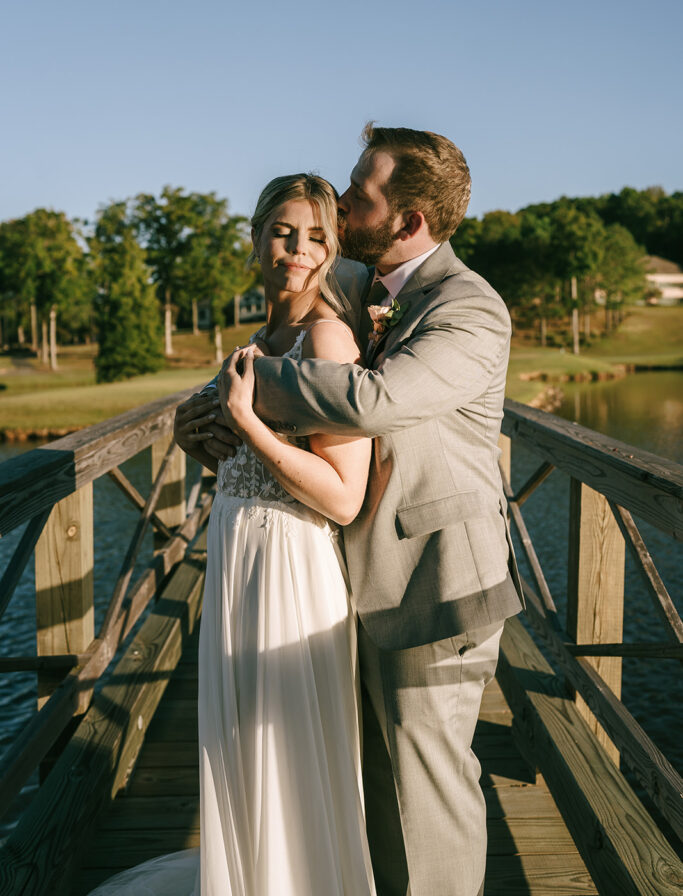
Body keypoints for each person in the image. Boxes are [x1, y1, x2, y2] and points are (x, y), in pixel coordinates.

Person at [183, 125, 524, 896]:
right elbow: (293, 294)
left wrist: (241, 384)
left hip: (433, 587)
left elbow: (375, 400)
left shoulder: (468, 307)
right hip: (352, 576)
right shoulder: (369, 291)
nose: (339, 202)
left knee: (428, 798)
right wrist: (202, 409)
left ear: (407, 222)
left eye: (358, 193)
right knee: (371, 795)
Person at [88, 173, 377, 895]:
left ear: (334, 249)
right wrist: (203, 441)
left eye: (316, 237)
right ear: (255, 239)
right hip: (239, 558)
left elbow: (343, 498)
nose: (297, 251)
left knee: (284, 740)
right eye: (283, 232)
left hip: (292, 566)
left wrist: (248, 423)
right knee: (241, 735)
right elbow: (249, 464)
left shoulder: (327, 337)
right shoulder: (257, 340)